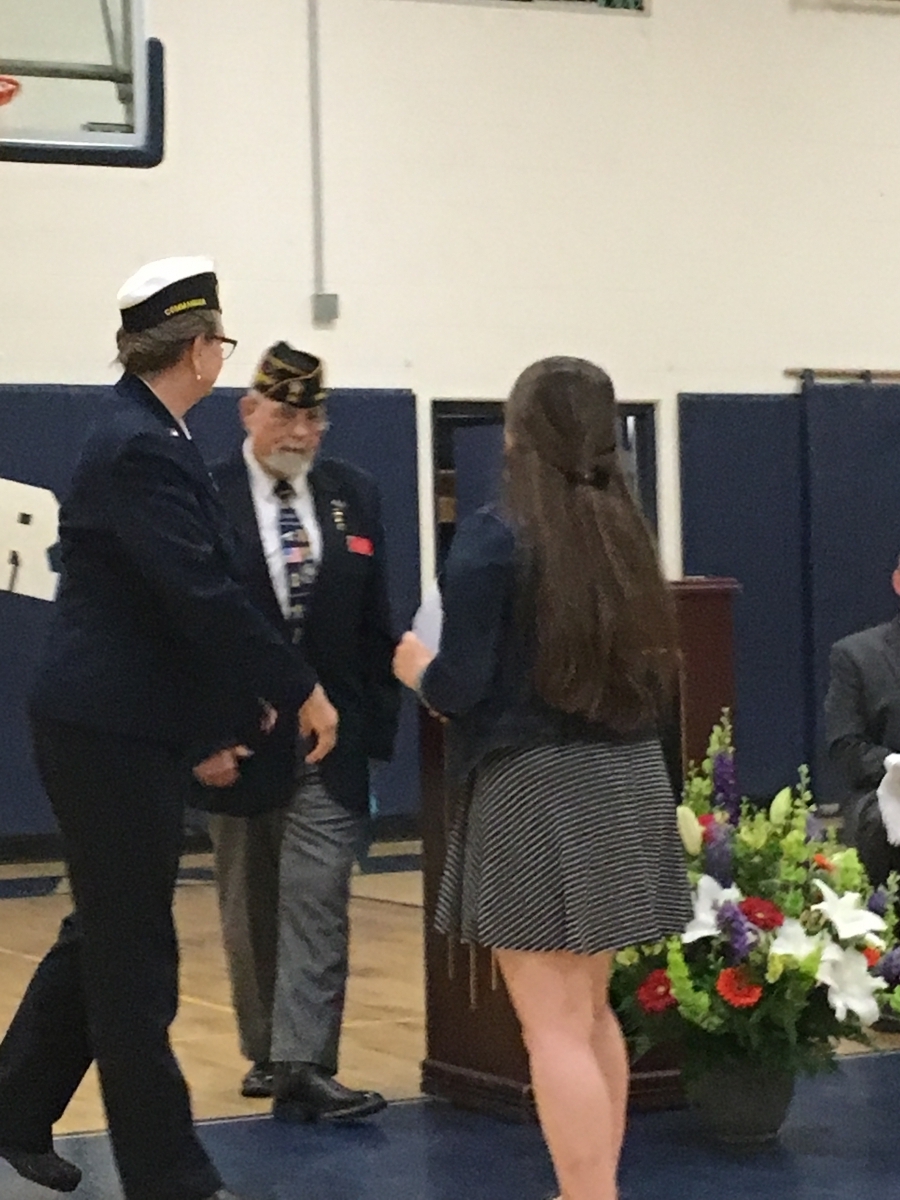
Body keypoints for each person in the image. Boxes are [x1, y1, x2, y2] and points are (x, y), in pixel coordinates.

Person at [0, 259, 337, 1200]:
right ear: (199, 348)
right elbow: (195, 596)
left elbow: (173, 605)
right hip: (103, 730)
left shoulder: (151, 435)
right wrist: (296, 685)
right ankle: (167, 1174)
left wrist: (216, 721)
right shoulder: (140, 445)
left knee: (106, 932)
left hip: (121, 722)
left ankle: (14, 1107)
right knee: (135, 955)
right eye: (222, 343)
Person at [393, 357, 691, 1200]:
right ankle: (596, 1189)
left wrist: (418, 666)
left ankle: (586, 1194)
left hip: (534, 789)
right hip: (626, 777)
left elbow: (463, 687)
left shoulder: (493, 538)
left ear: (517, 434)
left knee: (551, 1024)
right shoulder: (626, 535)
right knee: (592, 1011)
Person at [197, 342, 398, 1121]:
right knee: (251, 902)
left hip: (331, 740)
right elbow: (191, 629)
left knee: (318, 897)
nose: (299, 432)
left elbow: (374, 619)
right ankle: (266, 1051)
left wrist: (373, 732)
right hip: (240, 740)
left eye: (312, 416)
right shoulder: (205, 495)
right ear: (249, 412)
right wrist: (203, 737)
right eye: (284, 413)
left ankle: (305, 1060)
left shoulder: (355, 495)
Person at [825, 560, 900, 887]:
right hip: (888, 791)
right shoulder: (856, 656)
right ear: (898, 583)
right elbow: (847, 746)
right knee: (877, 820)